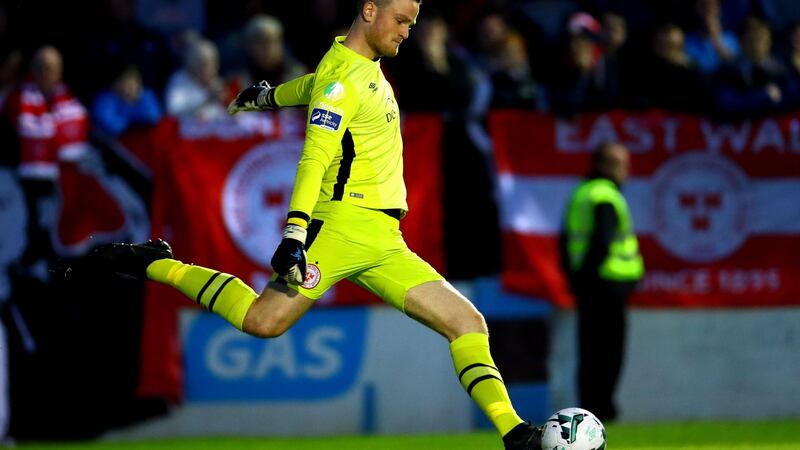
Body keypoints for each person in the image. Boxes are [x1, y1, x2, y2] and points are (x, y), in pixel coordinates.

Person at [57, 0, 543, 448]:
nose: (406, 32)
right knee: (262, 321)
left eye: (412, 24)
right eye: (401, 21)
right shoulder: (343, 80)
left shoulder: (351, 69)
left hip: (384, 241)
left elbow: (313, 87)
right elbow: (314, 157)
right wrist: (294, 234)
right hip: (339, 230)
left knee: (467, 323)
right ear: (369, 10)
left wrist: (269, 97)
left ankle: (514, 434)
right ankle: (155, 264)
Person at [559, 142, 644, 422]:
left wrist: (575, 280)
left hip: (588, 287)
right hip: (607, 285)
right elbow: (602, 242)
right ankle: (603, 410)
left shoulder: (581, 193)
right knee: (609, 352)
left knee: (589, 351)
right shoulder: (606, 196)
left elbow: (564, 241)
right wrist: (589, 278)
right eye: (621, 164)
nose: (626, 171)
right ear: (604, 165)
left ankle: (589, 410)